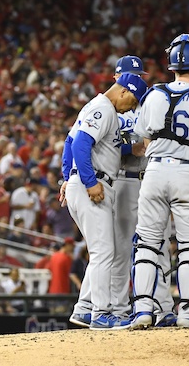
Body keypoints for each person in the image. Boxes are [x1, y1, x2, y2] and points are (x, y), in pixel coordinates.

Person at [131, 34, 189, 329]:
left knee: (147, 242)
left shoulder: (154, 94)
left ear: (171, 62)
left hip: (155, 171)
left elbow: (142, 142)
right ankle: (188, 312)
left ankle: (143, 310)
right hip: (187, 173)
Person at [60, 73, 146, 330]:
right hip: (92, 183)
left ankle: (85, 309)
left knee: (101, 251)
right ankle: (101, 313)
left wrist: (131, 149)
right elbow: (79, 145)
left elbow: (82, 142)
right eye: (133, 101)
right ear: (123, 92)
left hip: (88, 182)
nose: (132, 107)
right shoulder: (103, 108)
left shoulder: (97, 107)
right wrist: (89, 182)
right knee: (103, 252)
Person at [111, 55, 177, 327]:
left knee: (159, 245)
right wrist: (129, 145)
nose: (139, 81)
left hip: (150, 179)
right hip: (123, 181)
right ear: (117, 78)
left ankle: (164, 309)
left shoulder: (150, 105)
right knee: (121, 249)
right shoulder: (107, 107)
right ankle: (116, 309)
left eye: (141, 76)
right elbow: (103, 145)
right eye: (132, 76)